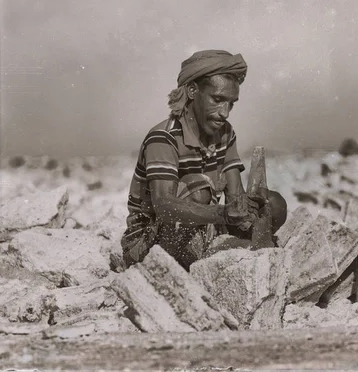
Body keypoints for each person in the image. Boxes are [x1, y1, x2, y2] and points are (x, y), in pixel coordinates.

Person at [121, 50, 287, 269]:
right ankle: (207, 263)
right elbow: (163, 205)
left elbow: (235, 196)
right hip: (148, 243)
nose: (224, 113)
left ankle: (234, 256)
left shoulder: (225, 134)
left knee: (273, 204)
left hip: (203, 229)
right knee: (198, 189)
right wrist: (223, 213)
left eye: (231, 104)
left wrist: (251, 209)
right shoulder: (163, 138)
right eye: (217, 100)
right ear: (192, 91)